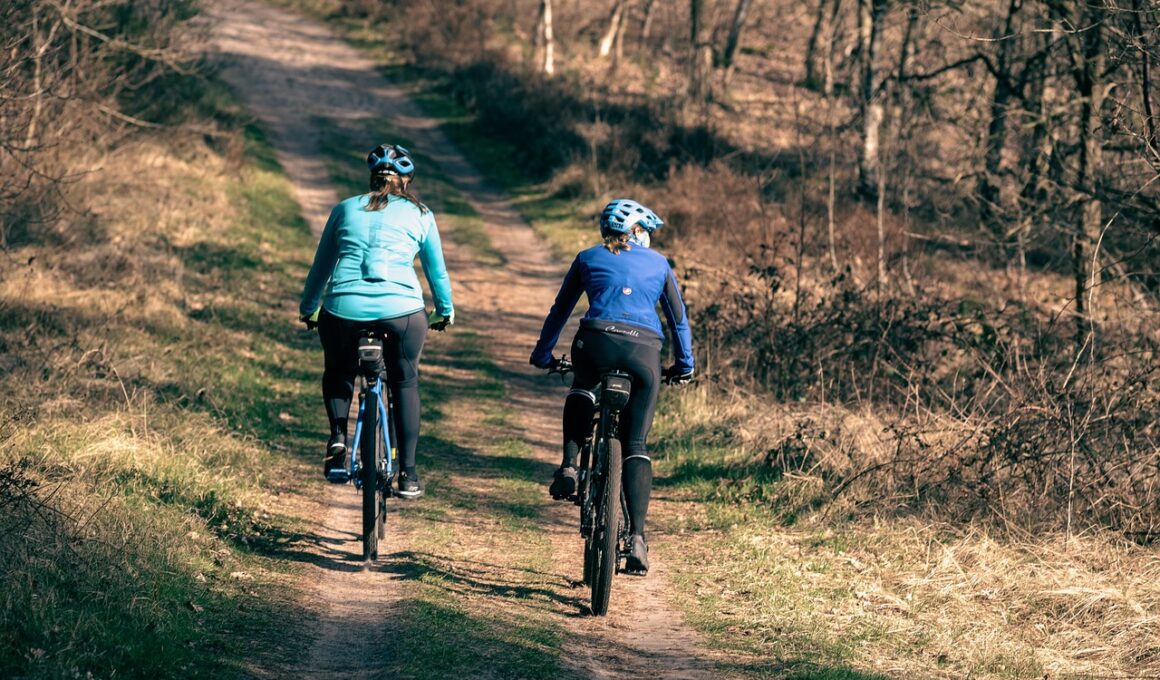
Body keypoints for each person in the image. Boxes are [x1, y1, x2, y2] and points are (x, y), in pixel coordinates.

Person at [530, 198, 694, 575]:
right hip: (644, 353)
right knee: (635, 443)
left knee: (583, 386)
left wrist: (543, 355)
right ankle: (636, 537)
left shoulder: (588, 257)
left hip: (595, 343)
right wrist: (684, 367)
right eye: (646, 230)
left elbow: (560, 310)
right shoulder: (659, 263)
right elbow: (678, 321)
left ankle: (569, 466)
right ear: (636, 231)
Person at [299, 143, 454, 500]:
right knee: (405, 381)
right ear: (406, 182)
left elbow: (321, 268)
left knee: (338, 371)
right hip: (403, 313)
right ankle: (408, 474)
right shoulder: (421, 214)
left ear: (372, 178)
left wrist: (309, 308)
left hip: (343, 310)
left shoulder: (344, 209)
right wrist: (444, 311)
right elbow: (437, 273)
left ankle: (338, 437)